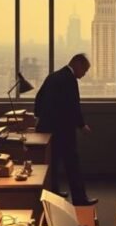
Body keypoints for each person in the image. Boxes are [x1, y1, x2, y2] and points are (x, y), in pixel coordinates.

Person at [34, 53, 97, 206]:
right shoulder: (69, 80)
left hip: (46, 128)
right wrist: (82, 125)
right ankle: (80, 198)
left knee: (52, 162)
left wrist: (40, 117)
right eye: (85, 70)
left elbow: (39, 98)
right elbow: (73, 106)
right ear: (77, 64)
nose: (84, 75)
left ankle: (54, 193)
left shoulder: (53, 76)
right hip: (63, 129)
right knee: (72, 163)